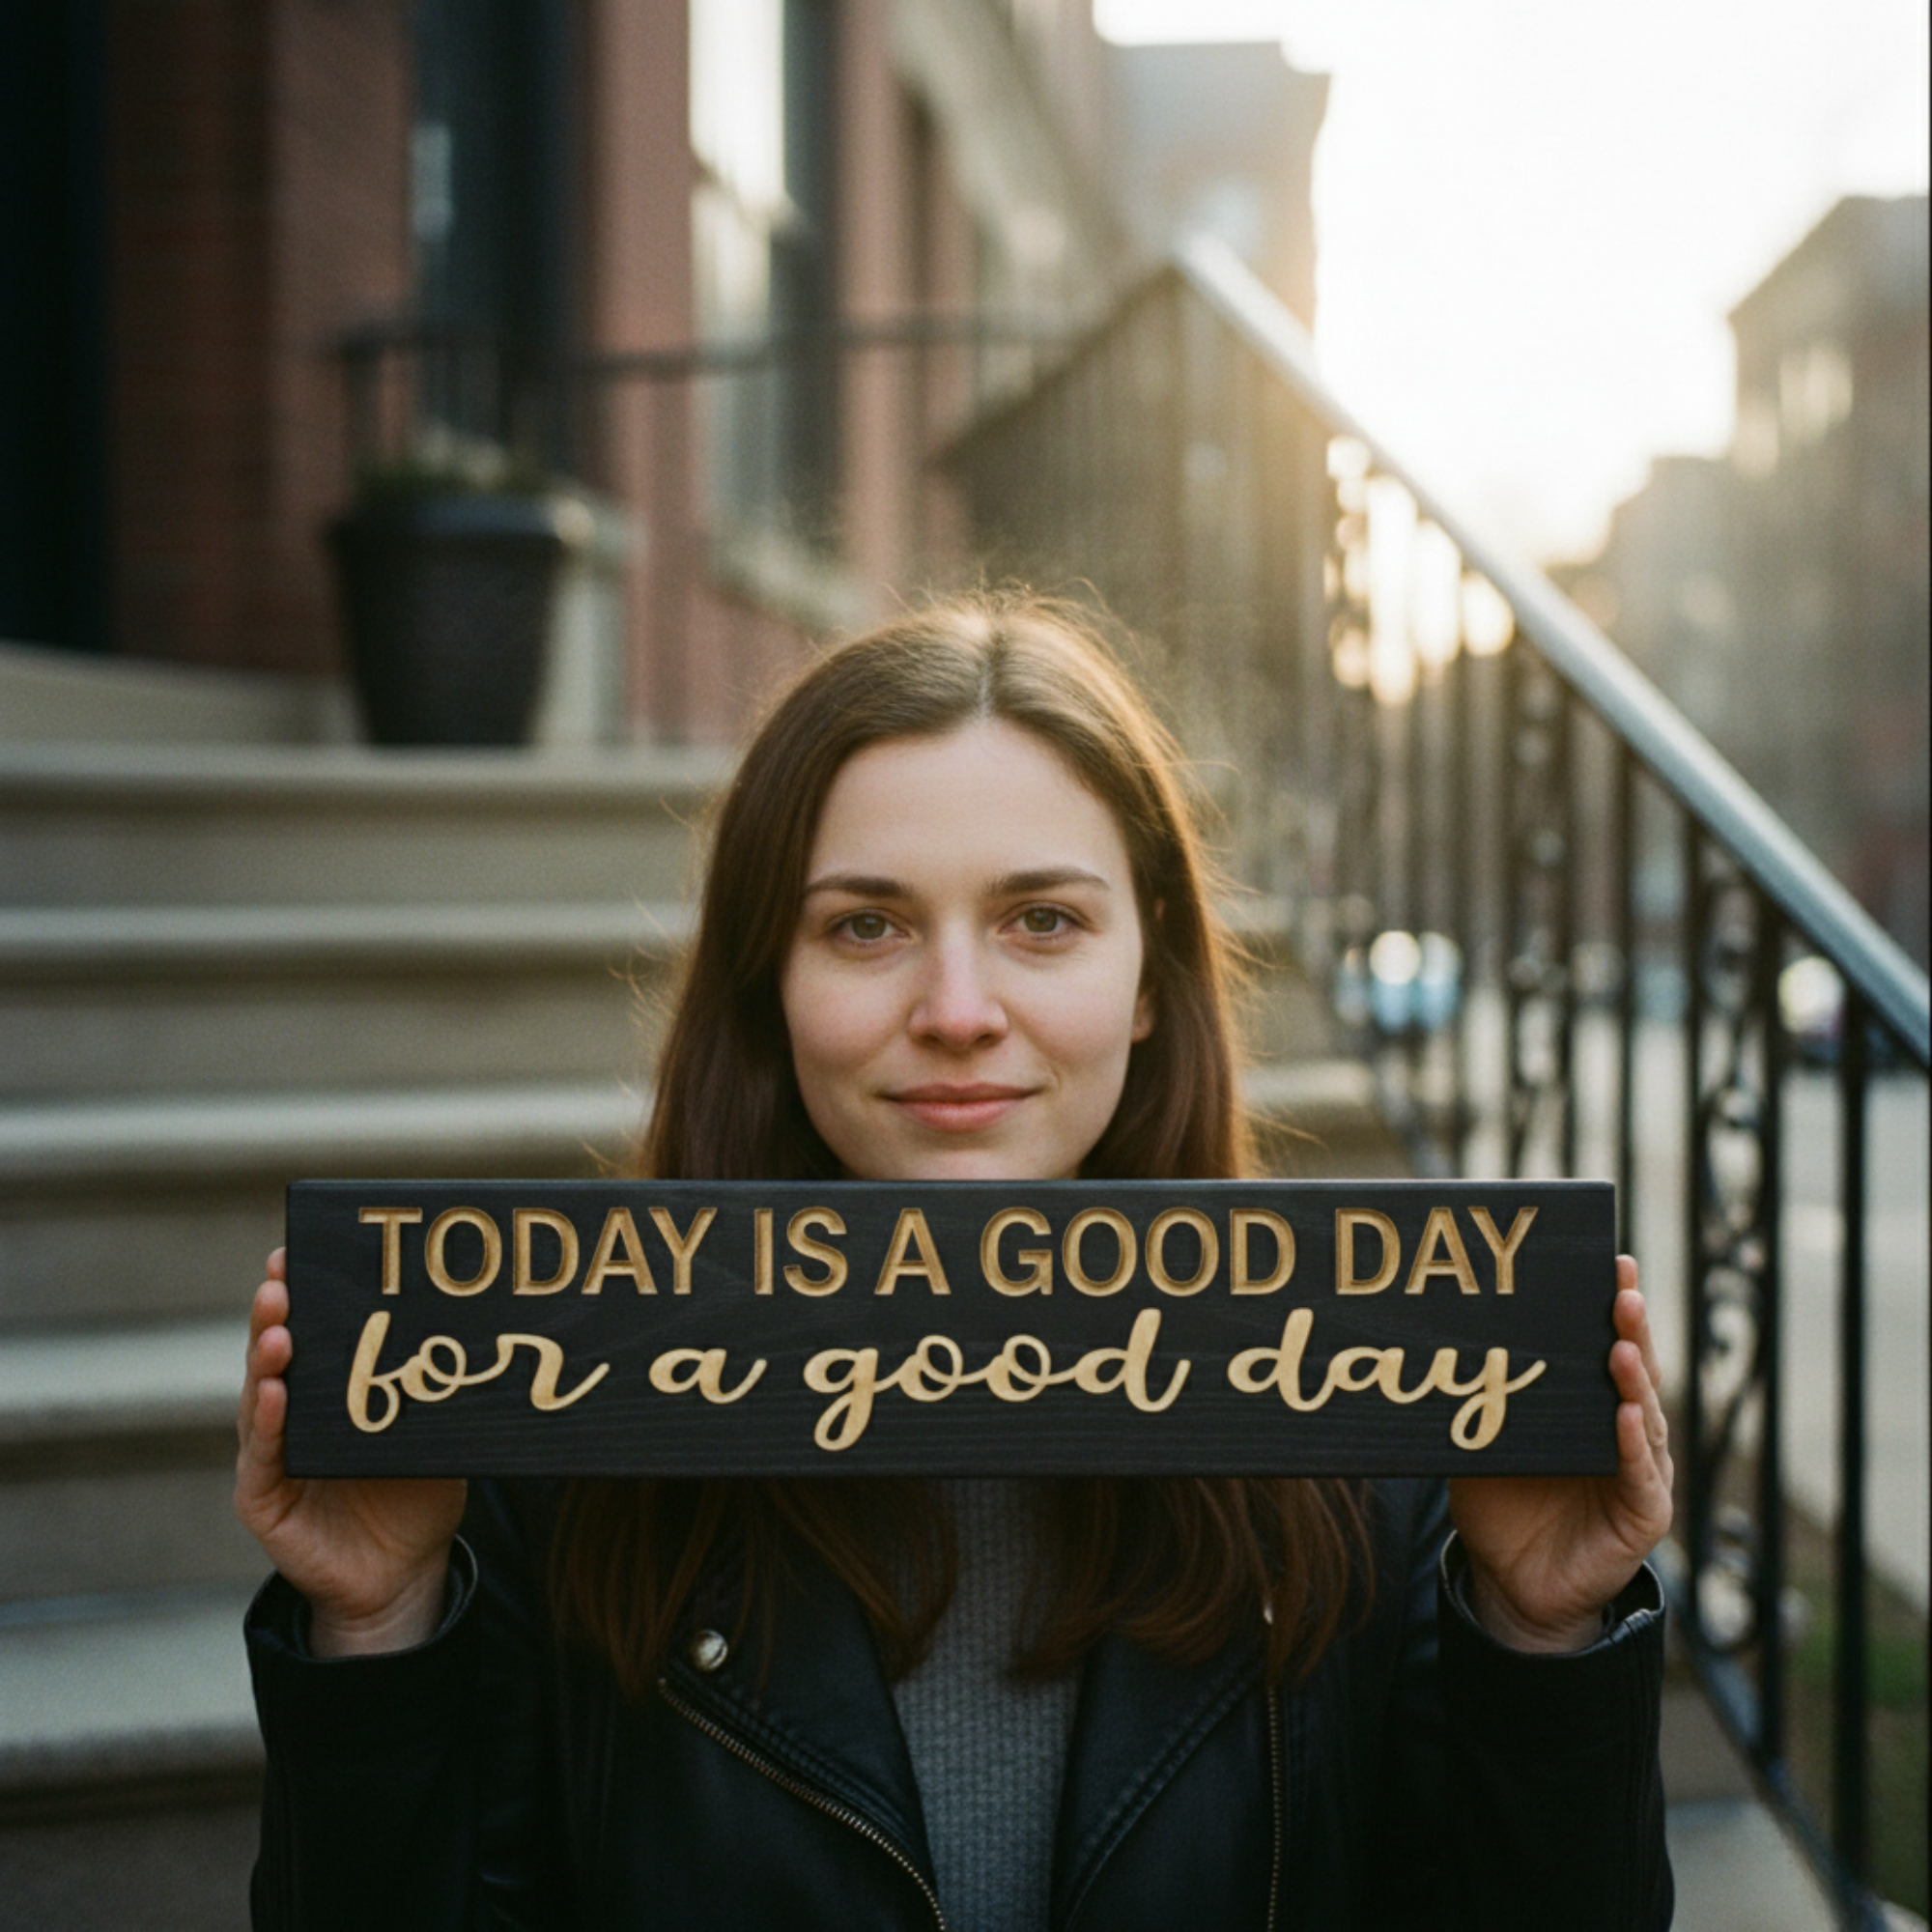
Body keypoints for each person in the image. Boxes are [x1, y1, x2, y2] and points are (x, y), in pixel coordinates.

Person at [236, 593, 1675, 1930]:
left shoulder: (1375, 1450)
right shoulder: (552, 1444)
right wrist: (375, 1636)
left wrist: (1540, 1643)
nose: (959, 1009)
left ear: (1150, 978)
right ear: (767, 982)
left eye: (1041, 921)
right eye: (867, 925)